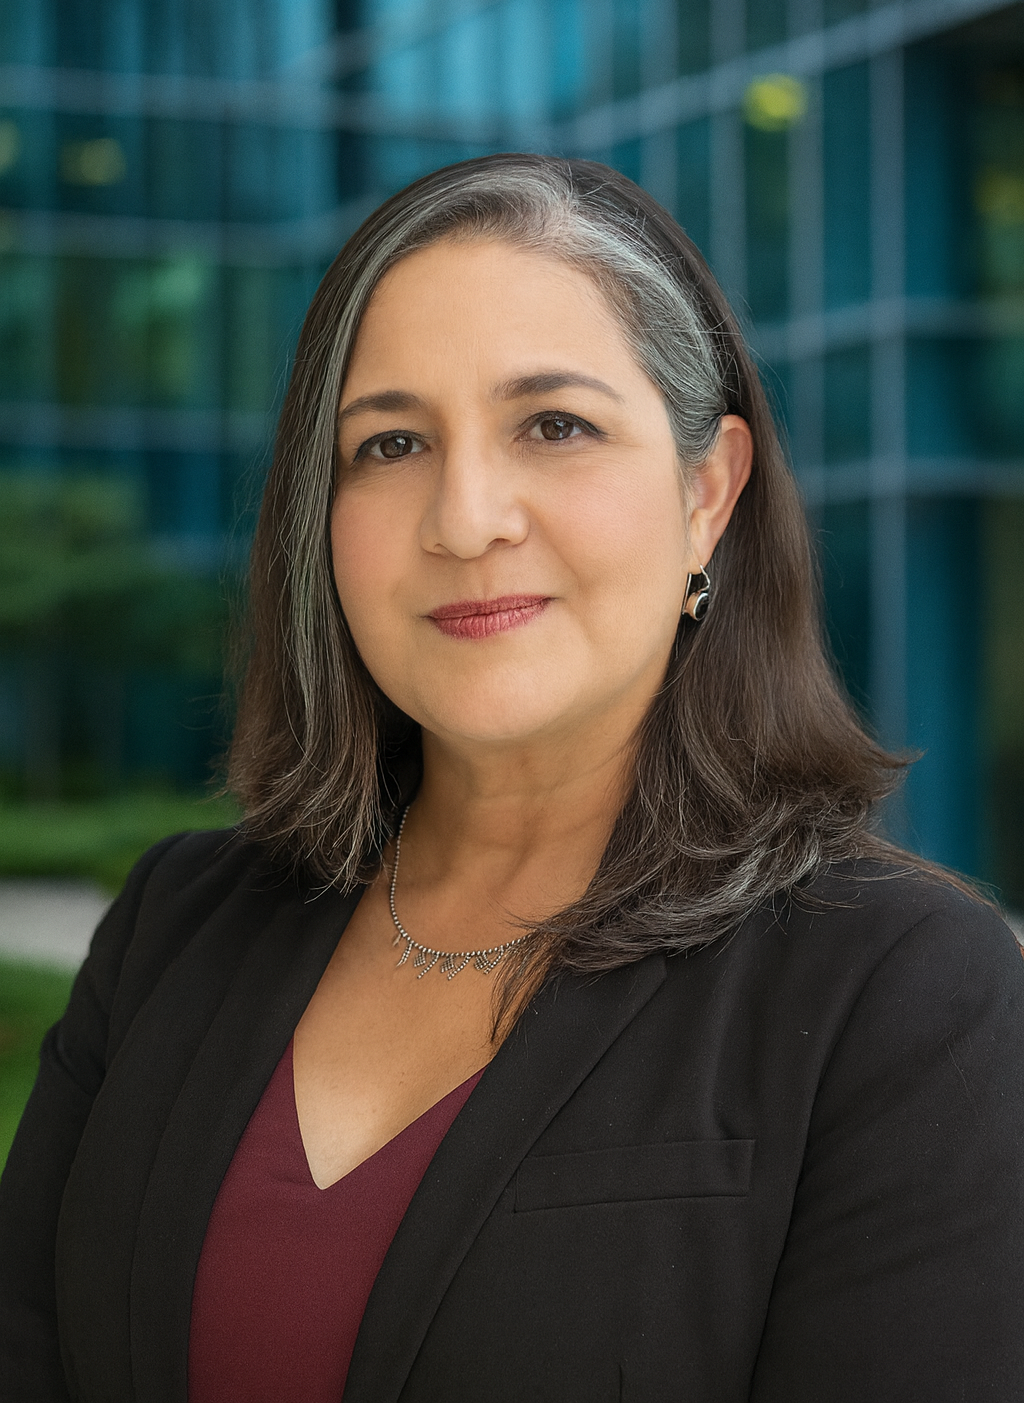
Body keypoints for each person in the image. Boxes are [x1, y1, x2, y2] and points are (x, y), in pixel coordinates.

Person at [2, 155, 1023, 1403]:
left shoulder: (905, 991)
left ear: (707, 493)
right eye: (389, 443)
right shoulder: (176, 925)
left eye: (555, 425)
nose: (464, 517)